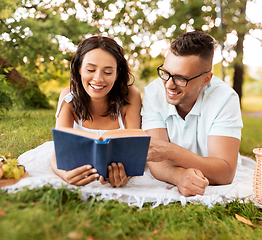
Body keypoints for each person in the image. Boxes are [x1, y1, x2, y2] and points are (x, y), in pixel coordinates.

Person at [141, 31, 243, 197]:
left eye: (181, 78)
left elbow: (225, 173)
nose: (169, 85)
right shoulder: (153, 93)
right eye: (166, 73)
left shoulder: (225, 99)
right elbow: (155, 158)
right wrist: (178, 176)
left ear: (206, 80)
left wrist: (171, 151)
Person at [51, 36, 142, 187]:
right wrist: (65, 174)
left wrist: (126, 174)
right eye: (91, 70)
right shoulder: (68, 97)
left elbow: (135, 151)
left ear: (117, 73)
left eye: (107, 72)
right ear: (79, 68)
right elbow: (58, 150)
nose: (98, 79)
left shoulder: (131, 95)